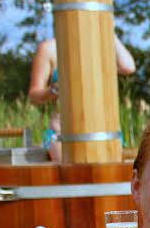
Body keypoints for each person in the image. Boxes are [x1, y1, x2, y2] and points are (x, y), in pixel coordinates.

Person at [29, 34, 137, 162]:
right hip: (62, 134)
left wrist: (109, 32)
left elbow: (127, 67)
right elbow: (34, 96)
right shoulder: (49, 48)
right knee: (73, 173)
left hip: (105, 133)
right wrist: (55, 89)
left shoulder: (99, 45)